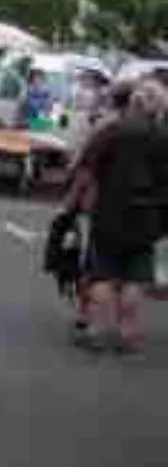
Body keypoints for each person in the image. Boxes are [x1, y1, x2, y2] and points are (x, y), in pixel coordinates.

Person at [80, 80, 168, 353]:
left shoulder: (112, 131)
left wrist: (82, 202)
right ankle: (128, 333)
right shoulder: (163, 137)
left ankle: (96, 330)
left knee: (103, 272)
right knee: (135, 276)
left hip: (110, 211)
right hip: (148, 214)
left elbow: (89, 169)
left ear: (132, 103)